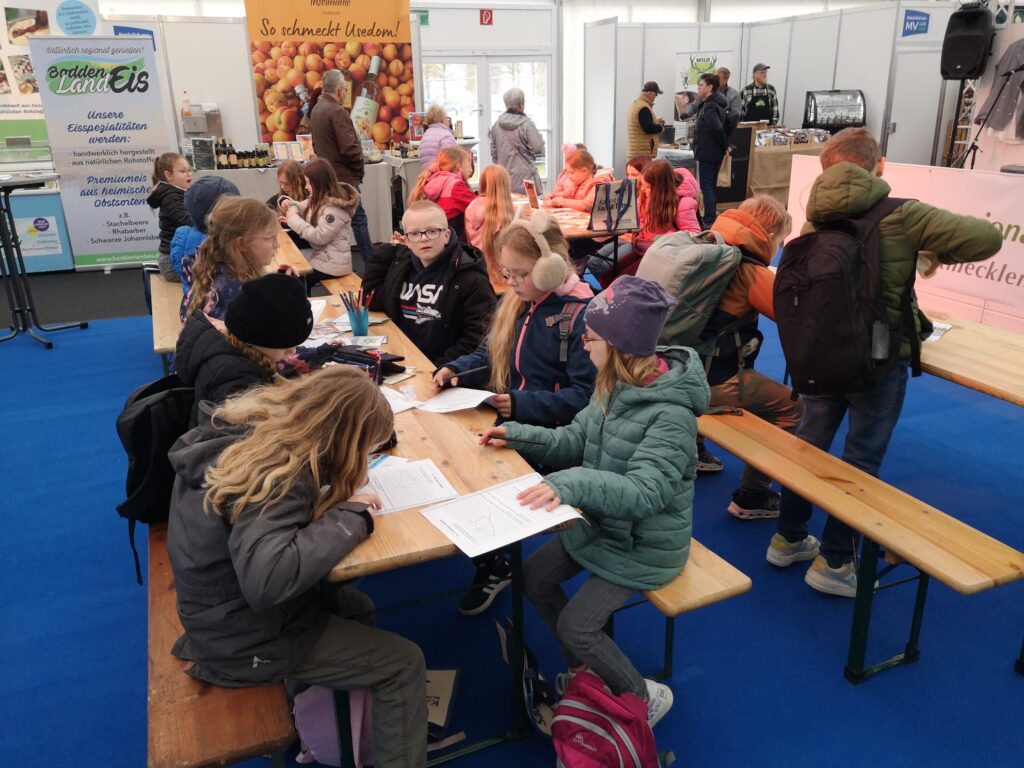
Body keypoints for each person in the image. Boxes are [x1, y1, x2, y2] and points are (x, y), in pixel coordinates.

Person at [766, 127, 1003, 596]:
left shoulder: (815, 218)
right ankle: (835, 562)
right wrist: (927, 248)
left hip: (819, 352)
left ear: (827, 168)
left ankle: (787, 537)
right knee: (861, 458)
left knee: (807, 444)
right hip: (876, 356)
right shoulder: (904, 215)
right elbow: (987, 239)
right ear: (878, 166)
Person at [166, 365, 428, 768]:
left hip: (217, 612)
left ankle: (327, 724)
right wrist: (349, 518)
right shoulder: (282, 474)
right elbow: (268, 580)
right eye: (366, 450)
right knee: (404, 663)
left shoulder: (259, 432)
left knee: (356, 606)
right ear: (346, 440)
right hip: (242, 639)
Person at [480, 275, 709, 727]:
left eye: (590, 337)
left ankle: (641, 696)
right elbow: (574, 438)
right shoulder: (612, 383)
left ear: (620, 346)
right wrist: (518, 434)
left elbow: (646, 494)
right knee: (533, 578)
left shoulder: (671, 416)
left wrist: (574, 483)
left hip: (644, 544)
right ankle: (590, 672)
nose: (583, 345)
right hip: (604, 524)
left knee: (576, 626)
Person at [432, 212, 597, 616]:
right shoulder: (518, 302)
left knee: (468, 473)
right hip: (512, 418)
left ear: (550, 268)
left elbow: (584, 398)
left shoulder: (581, 316)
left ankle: (494, 564)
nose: (511, 282)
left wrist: (523, 404)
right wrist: (454, 369)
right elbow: (488, 354)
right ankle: (490, 558)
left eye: (520, 274)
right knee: (444, 450)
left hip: (553, 436)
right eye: (506, 273)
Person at [699, 195, 802, 519]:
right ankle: (752, 496)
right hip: (716, 379)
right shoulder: (748, 270)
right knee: (793, 408)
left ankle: (695, 450)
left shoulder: (705, 246)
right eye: (780, 240)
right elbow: (794, 316)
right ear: (769, 235)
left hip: (675, 367)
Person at [363, 200, 496, 367]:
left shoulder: (470, 278)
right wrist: (389, 250)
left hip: (441, 368)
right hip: (404, 360)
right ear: (407, 240)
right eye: (415, 233)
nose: (424, 239)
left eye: (432, 231)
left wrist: (438, 367)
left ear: (447, 235)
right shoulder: (403, 266)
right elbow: (370, 298)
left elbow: (479, 336)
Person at [175, 273, 314, 427]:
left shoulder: (233, 350)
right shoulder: (238, 383)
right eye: (286, 347)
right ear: (255, 339)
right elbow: (246, 435)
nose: (292, 351)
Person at [587, 159, 701, 281]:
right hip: (640, 248)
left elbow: (694, 235)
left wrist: (659, 239)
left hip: (661, 255)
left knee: (620, 280)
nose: (643, 190)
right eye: (643, 185)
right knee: (607, 276)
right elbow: (635, 220)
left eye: (648, 187)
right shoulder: (644, 198)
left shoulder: (683, 203)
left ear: (661, 187)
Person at [181, 196, 281, 324]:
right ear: (241, 244)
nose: (276, 244)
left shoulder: (216, 271)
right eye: (269, 237)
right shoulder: (232, 294)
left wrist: (280, 283)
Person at [310, 69, 374, 266]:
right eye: (345, 89)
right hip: (344, 178)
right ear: (339, 90)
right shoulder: (337, 111)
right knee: (358, 220)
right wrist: (359, 165)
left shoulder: (317, 110)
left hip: (328, 175)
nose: (345, 93)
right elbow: (348, 148)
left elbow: (316, 145)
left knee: (333, 220)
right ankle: (372, 265)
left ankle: (333, 261)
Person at [282, 159, 361, 289]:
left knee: (295, 278)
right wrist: (290, 204)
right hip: (322, 257)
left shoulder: (335, 208)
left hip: (333, 265)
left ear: (319, 183)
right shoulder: (317, 198)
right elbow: (301, 206)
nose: (306, 187)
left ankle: (301, 301)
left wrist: (292, 218)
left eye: (309, 183)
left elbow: (319, 237)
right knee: (289, 269)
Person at [170, 175, 240, 293]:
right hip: (224, 301)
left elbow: (178, 266)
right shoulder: (228, 242)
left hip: (192, 299)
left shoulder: (182, 235)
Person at [409, 146, 477, 241]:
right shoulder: (455, 186)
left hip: (436, 239)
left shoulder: (433, 180)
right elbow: (479, 208)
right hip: (454, 242)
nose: (470, 168)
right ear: (458, 165)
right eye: (467, 163)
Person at [464, 164, 515, 283]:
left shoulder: (472, 206)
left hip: (478, 269)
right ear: (505, 187)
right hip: (500, 276)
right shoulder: (503, 214)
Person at [489, 87, 545, 194]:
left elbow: (494, 154)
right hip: (526, 178)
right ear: (521, 104)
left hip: (504, 179)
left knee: (508, 204)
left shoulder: (496, 125)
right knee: (530, 204)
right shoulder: (527, 124)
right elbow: (538, 148)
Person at [147, 152, 193, 282]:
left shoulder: (180, 194)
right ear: (168, 175)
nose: (189, 174)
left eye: (189, 170)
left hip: (181, 258)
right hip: (173, 264)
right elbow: (188, 221)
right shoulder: (171, 198)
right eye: (183, 171)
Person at [693, 72, 730, 229]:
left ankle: (708, 220)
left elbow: (717, 128)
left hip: (708, 152)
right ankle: (711, 216)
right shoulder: (714, 103)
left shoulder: (710, 106)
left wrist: (725, 145)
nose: (698, 88)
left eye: (701, 85)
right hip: (713, 151)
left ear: (710, 87)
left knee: (707, 187)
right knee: (711, 186)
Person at [542, 149, 613, 213]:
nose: (569, 176)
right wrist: (551, 196)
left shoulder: (599, 185)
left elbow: (586, 205)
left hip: (591, 222)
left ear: (584, 171)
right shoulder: (578, 183)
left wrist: (561, 201)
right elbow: (567, 194)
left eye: (571, 173)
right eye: (567, 173)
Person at [266, 160, 311, 251]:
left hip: (304, 248)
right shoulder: (282, 196)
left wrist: (289, 223)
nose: (283, 187)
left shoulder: (308, 199)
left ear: (299, 181)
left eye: (287, 184)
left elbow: (309, 237)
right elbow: (264, 209)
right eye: (280, 183)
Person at [627, 81, 665, 160]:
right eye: (656, 94)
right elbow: (647, 127)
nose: (656, 97)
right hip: (642, 154)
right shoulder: (643, 107)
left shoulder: (637, 104)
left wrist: (656, 122)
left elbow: (641, 124)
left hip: (637, 152)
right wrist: (660, 127)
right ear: (650, 93)